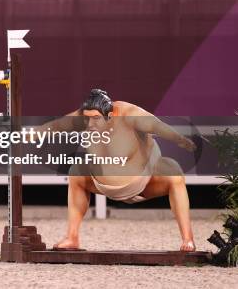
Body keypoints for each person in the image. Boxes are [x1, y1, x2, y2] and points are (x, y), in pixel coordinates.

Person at [42, 89, 197, 252]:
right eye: (87, 118)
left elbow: (157, 126)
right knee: (76, 171)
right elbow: (56, 126)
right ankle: (72, 237)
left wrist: (180, 140)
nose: (90, 124)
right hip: (104, 186)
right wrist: (28, 136)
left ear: (110, 116)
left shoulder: (130, 114)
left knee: (174, 172)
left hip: (143, 183)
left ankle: (188, 238)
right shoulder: (85, 118)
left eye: (96, 118)